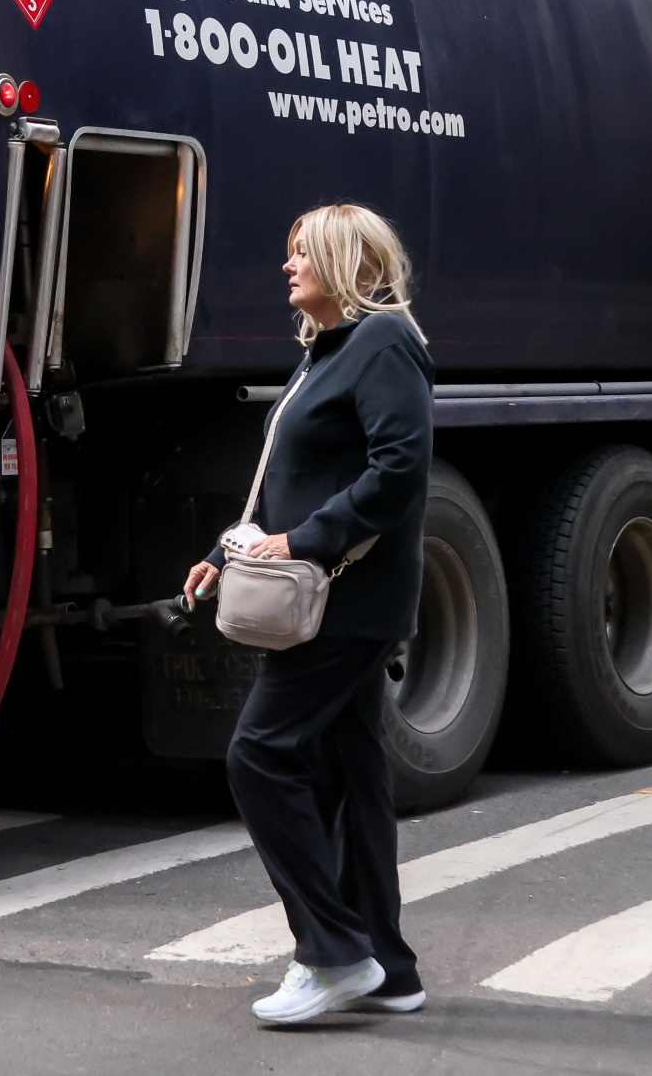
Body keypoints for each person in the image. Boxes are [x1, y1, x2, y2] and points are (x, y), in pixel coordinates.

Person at [183, 203, 435, 1025]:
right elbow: (287, 478)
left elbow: (399, 473)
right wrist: (228, 554)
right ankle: (389, 969)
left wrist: (303, 542)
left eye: (303, 254)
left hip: (346, 601)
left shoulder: (384, 341)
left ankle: (331, 953)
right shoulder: (328, 352)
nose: (287, 266)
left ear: (346, 263)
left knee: (258, 756)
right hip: (326, 596)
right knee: (355, 777)